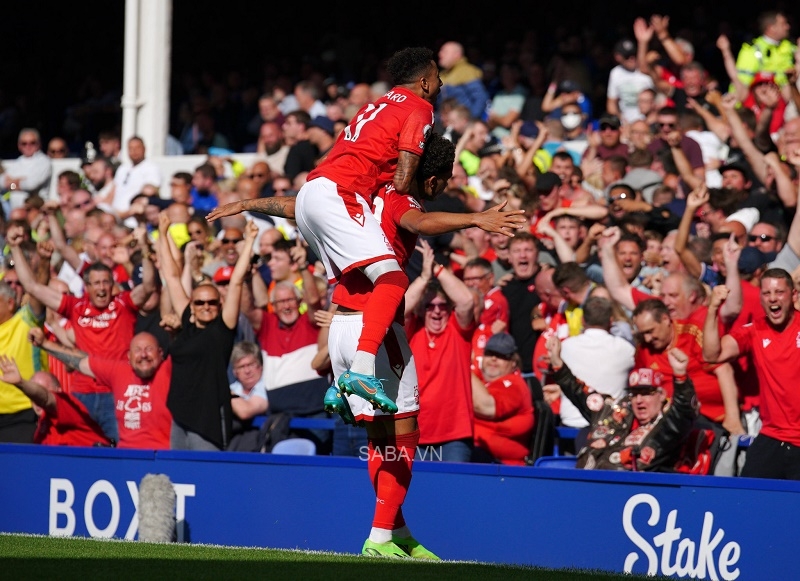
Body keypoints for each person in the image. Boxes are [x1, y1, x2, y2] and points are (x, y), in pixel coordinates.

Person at [290, 47, 443, 413]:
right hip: (339, 193)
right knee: (392, 279)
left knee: (354, 285)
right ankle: (360, 370)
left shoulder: (376, 104)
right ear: (424, 81)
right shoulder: (420, 107)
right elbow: (404, 181)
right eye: (438, 77)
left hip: (310, 192)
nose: (440, 83)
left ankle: (338, 384)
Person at [9, 223, 157, 443]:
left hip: (117, 393)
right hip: (82, 394)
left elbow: (148, 285)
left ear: (112, 284)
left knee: (124, 451)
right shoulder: (75, 307)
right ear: (86, 287)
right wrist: (14, 247)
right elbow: (31, 286)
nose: (101, 288)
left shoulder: (124, 304)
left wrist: (144, 246)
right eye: (96, 283)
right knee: (82, 450)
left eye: (106, 283)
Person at [157, 213, 257, 451]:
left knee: (207, 477)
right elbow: (171, 276)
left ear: (219, 305)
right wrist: (162, 234)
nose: (206, 307)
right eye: (200, 303)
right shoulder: (187, 321)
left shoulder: (222, 329)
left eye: (212, 302)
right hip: (180, 415)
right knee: (179, 478)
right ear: (192, 305)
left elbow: (235, 282)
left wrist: (250, 241)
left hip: (209, 418)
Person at [546, 334, 699, 471]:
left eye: (646, 394)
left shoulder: (667, 427)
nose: (639, 400)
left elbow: (684, 410)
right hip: (585, 485)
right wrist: (558, 365)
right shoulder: (614, 411)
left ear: (661, 396)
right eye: (634, 394)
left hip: (631, 494)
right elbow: (580, 393)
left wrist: (680, 376)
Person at [703, 270, 800, 480]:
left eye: (779, 292)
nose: (773, 298)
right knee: (750, 501)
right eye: (766, 293)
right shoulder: (755, 330)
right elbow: (712, 354)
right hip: (771, 437)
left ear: (793, 296)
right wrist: (712, 309)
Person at [31, 330, 173, 450]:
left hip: (161, 458)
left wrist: (176, 332)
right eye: (137, 350)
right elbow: (81, 362)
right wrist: (45, 344)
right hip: (126, 458)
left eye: (149, 349)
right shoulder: (119, 371)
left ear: (161, 354)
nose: (143, 355)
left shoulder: (168, 370)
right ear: (129, 357)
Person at [0, 356, 110, 447]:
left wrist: (21, 383)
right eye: (32, 396)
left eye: (39, 391)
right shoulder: (41, 428)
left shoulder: (68, 405)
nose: (36, 400)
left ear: (58, 391)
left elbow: (46, 398)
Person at [471, 332, 534, 465]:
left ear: (513, 363)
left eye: (502, 356)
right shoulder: (481, 381)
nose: (494, 358)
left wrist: (463, 366)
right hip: (477, 455)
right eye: (489, 353)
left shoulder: (514, 384)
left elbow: (486, 407)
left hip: (500, 467)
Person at [227, 341, 269, 452]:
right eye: (241, 367)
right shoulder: (233, 388)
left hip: (258, 447)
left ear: (260, 366)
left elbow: (245, 411)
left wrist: (226, 393)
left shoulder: (267, 386)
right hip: (231, 446)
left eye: (251, 364)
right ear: (235, 372)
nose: (247, 371)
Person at [111, 136, 162, 227]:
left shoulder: (151, 168)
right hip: (115, 220)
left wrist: (123, 215)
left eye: (137, 148)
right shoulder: (122, 169)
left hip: (132, 222)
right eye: (131, 148)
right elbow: (113, 192)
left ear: (144, 148)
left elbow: (148, 193)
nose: (134, 151)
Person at [437, 41, 490, 122]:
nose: (440, 54)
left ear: (457, 55)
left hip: (462, 124)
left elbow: (480, 98)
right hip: (445, 122)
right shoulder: (443, 74)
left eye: (445, 52)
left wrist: (469, 120)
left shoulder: (468, 72)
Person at [0, 129, 52, 210]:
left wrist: (12, 182)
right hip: (14, 209)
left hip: (35, 208)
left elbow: (31, 185)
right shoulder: (18, 162)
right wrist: (18, 182)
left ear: (39, 144)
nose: (28, 146)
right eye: (24, 143)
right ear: (19, 145)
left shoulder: (44, 161)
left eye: (32, 143)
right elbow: (2, 182)